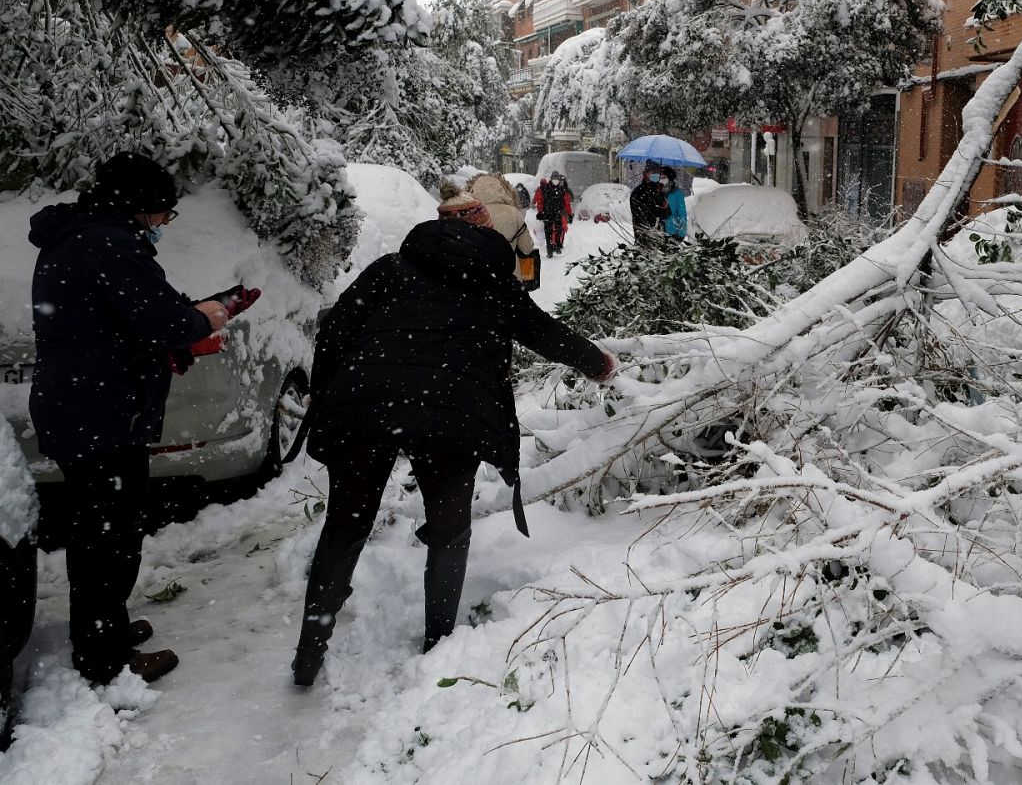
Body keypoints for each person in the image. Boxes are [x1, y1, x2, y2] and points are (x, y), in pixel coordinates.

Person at [291, 198, 616, 686]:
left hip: (366, 404)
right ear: (491, 240)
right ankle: (438, 645)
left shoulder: (389, 269)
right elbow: (546, 335)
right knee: (448, 529)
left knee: (344, 526)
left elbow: (334, 330)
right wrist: (600, 365)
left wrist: (330, 390)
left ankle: (308, 655)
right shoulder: (495, 282)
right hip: (453, 415)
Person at [28, 151, 246, 685]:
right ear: (139, 207)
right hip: (98, 414)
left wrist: (173, 327)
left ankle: (106, 630)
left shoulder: (78, 237)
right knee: (109, 538)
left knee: (99, 530)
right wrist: (213, 313)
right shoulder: (110, 245)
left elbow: (126, 317)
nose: (163, 225)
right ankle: (105, 658)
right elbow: (164, 318)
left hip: (82, 405)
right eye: (163, 214)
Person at [466, 172, 540, 289]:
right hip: (510, 277)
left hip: (477, 277)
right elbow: (527, 248)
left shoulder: (468, 213)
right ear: (502, 190)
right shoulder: (513, 213)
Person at [534, 173, 575, 256]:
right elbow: (540, 201)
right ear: (551, 179)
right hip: (547, 213)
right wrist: (540, 211)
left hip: (558, 213)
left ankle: (556, 245)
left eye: (557, 179)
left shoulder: (562, 190)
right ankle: (549, 248)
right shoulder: (545, 188)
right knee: (548, 232)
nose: (555, 180)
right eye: (554, 178)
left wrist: (569, 214)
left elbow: (567, 204)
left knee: (559, 230)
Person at [629, 164, 670, 246]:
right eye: (653, 172)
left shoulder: (659, 192)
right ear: (646, 173)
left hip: (660, 237)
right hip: (643, 238)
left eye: (658, 173)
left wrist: (665, 207)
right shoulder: (638, 192)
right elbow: (642, 214)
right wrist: (659, 210)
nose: (656, 175)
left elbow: (668, 214)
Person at [664, 170, 689, 242]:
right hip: (659, 232)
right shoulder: (658, 192)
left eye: (663, 177)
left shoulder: (677, 193)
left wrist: (681, 234)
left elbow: (682, 214)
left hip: (673, 232)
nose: (661, 179)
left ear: (670, 178)